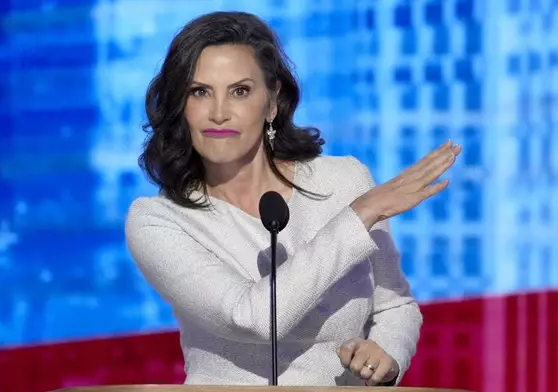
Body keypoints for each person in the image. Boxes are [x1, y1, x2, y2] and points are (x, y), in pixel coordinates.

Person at [125, 11, 461, 387]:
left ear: (272, 103)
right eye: (199, 92)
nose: (218, 113)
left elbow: (395, 306)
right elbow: (251, 318)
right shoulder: (158, 219)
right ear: (180, 106)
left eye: (240, 91)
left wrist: (385, 357)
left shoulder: (344, 180)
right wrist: (359, 215)